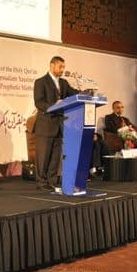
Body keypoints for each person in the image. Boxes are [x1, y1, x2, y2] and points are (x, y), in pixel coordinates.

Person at [32, 56, 80, 192]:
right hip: (46, 125)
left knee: (55, 157)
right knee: (43, 156)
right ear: (52, 65)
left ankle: (51, 181)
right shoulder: (41, 82)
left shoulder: (63, 83)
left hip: (59, 125)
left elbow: (73, 94)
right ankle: (42, 182)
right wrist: (54, 105)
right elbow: (39, 102)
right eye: (60, 67)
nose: (62, 70)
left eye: (64, 67)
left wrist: (87, 93)